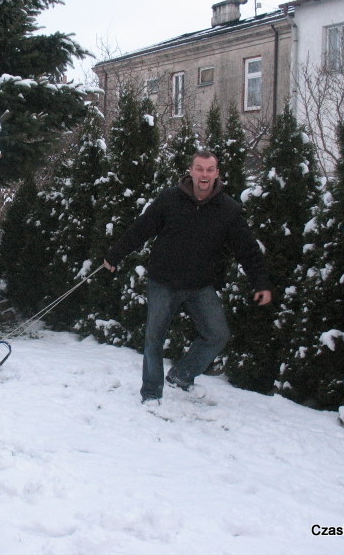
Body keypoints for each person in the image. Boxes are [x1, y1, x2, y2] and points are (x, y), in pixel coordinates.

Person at [103, 150, 272, 404]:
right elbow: (142, 228)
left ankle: (181, 376)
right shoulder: (170, 199)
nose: (204, 174)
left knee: (217, 335)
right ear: (191, 171)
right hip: (163, 281)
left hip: (200, 286)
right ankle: (151, 393)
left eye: (209, 170)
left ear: (217, 174)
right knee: (154, 339)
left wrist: (260, 282)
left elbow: (247, 249)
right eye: (200, 169)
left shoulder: (228, 209)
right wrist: (114, 255)